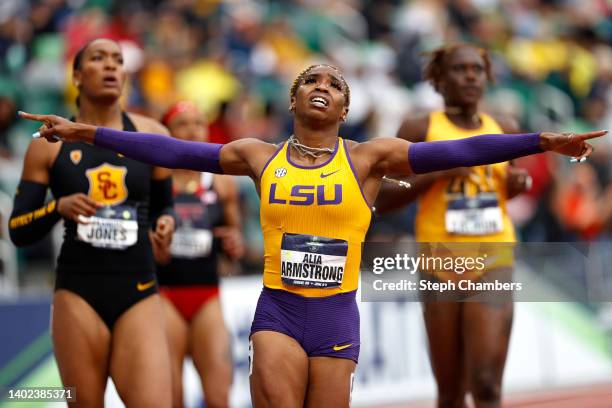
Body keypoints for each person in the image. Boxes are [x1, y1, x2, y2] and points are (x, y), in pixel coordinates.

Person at [19, 64, 603, 408]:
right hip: (278, 311)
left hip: (337, 317)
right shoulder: (257, 155)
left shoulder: (372, 158)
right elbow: (173, 149)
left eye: (334, 83)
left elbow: (461, 149)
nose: (322, 85)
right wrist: (89, 131)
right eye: (310, 81)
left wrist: (539, 141)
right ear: (295, 100)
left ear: (345, 107)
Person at [9, 39, 174, 407]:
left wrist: (166, 224)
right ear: (78, 76)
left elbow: (166, 207)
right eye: (98, 59)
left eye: (117, 60)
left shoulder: (152, 135)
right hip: (78, 295)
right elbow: (18, 230)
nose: (111, 66)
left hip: (140, 290)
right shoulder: (48, 143)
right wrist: (57, 208)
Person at [374, 44, 535, 408]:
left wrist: (516, 186)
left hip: (493, 256)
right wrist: (438, 172)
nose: (470, 76)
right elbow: (383, 196)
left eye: (477, 69)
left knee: (487, 384)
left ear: (487, 77)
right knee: (449, 393)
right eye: (460, 69)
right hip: (439, 259)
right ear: (439, 79)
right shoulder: (420, 127)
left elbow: (504, 189)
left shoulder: (504, 128)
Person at [155, 101, 244, 408]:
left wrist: (233, 245)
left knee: (219, 395)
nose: (193, 129)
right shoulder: (157, 179)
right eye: (183, 124)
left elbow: (235, 243)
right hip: (165, 295)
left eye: (198, 122)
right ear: (166, 133)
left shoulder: (220, 182)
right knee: (171, 396)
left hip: (208, 295)